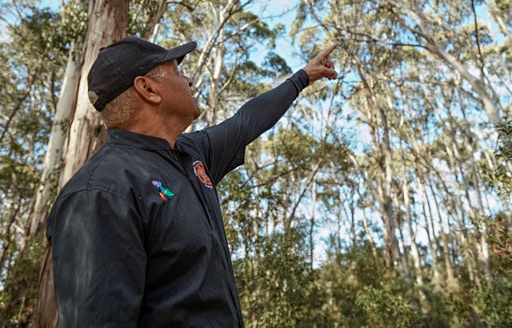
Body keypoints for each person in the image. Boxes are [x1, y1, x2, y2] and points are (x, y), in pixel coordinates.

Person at [46, 36, 338, 327]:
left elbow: (246, 121)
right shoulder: (100, 192)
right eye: (175, 70)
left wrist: (303, 77)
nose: (188, 80)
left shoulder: (191, 154)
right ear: (147, 89)